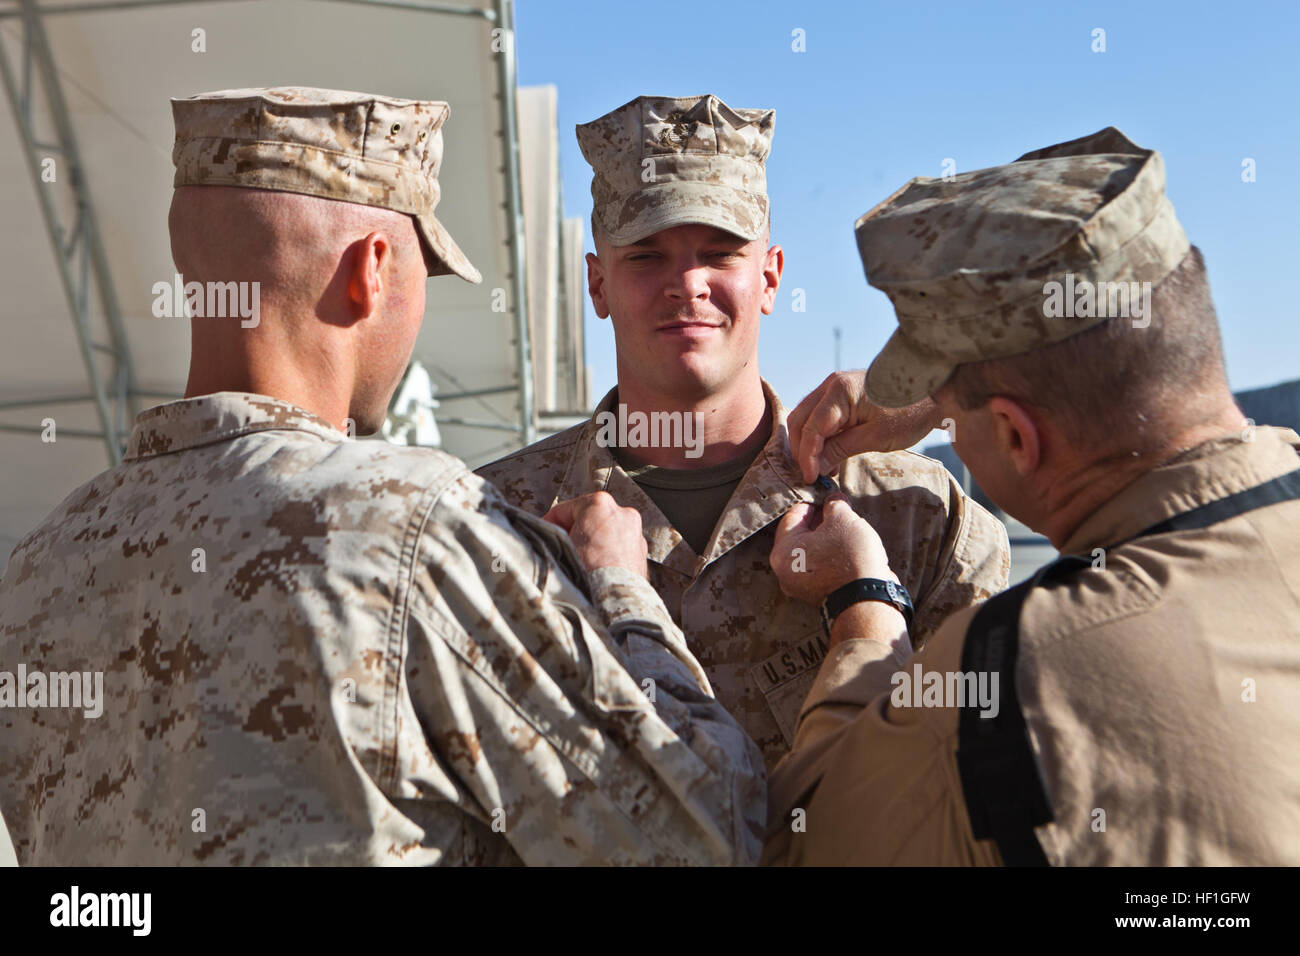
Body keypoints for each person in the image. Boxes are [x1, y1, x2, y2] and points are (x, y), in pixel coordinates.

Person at [0, 87, 764, 866]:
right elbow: (702, 835)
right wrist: (625, 594)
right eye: (422, 272)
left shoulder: (39, 567)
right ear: (370, 270)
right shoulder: (415, 523)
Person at [762, 127, 1300, 865]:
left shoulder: (1010, 672)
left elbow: (810, 841)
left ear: (1018, 438)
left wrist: (864, 606)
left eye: (954, 408)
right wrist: (958, 398)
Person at [477, 94, 1009, 769]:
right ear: (598, 284)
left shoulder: (917, 517)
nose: (688, 283)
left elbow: (970, 790)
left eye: (721, 253)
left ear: (770, 277)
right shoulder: (498, 521)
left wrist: (941, 393)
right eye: (645, 256)